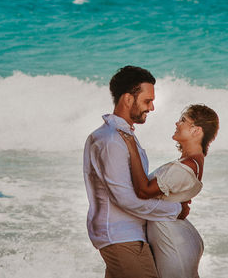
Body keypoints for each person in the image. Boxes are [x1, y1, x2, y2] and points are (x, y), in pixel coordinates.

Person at [84, 66, 190, 278]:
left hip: (123, 235)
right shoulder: (112, 140)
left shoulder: (117, 135)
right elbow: (126, 199)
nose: (151, 107)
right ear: (128, 99)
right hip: (121, 237)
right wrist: (174, 210)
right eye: (147, 101)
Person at [118, 104, 219, 278]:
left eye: (183, 120)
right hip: (176, 235)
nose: (177, 123)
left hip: (174, 241)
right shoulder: (189, 162)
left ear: (196, 131)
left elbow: (143, 192)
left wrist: (131, 147)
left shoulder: (185, 167)